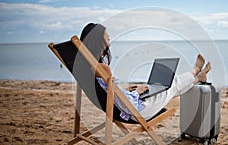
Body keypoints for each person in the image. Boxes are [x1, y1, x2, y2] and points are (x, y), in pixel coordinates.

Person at [80, 23, 211, 121]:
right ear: (98, 41)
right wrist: (137, 92)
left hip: (129, 108)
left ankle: (197, 78)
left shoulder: (86, 67)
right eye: (108, 39)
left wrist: (125, 90)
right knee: (172, 84)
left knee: (168, 87)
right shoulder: (102, 68)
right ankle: (195, 72)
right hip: (137, 112)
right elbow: (126, 105)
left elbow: (112, 94)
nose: (110, 42)